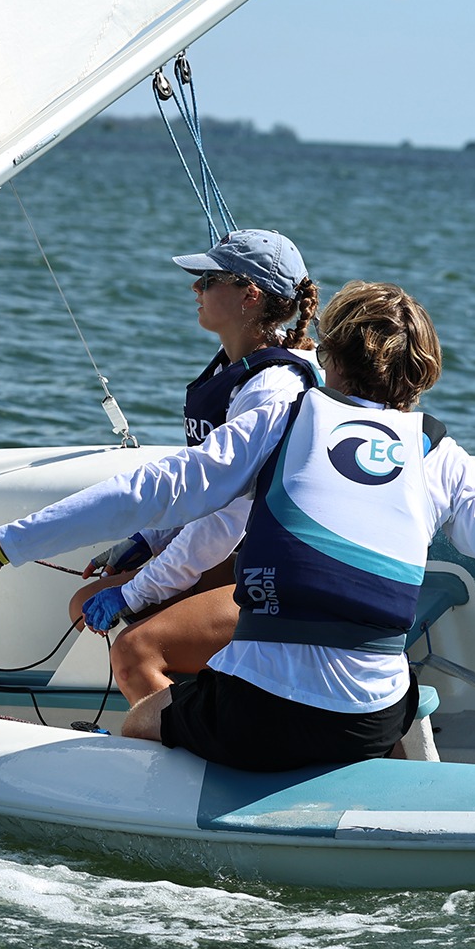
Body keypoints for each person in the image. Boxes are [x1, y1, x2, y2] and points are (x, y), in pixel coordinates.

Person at [0, 282, 475, 773]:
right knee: (391, 684)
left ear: (325, 356)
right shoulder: (440, 456)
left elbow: (153, 492)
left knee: (141, 725)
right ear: (423, 373)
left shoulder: (282, 417)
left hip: (257, 716)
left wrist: (1, 546)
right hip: (363, 722)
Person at [70, 229, 320, 698]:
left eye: (207, 279)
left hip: (277, 576)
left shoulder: (272, 389)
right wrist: (147, 540)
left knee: (132, 649)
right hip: (241, 555)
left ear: (249, 295)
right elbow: (202, 491)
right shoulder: (235, 371)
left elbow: (225, 521)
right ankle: (199, 705)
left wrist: (133, 593)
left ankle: (186, 743)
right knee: (83, 605)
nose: (195, 289)